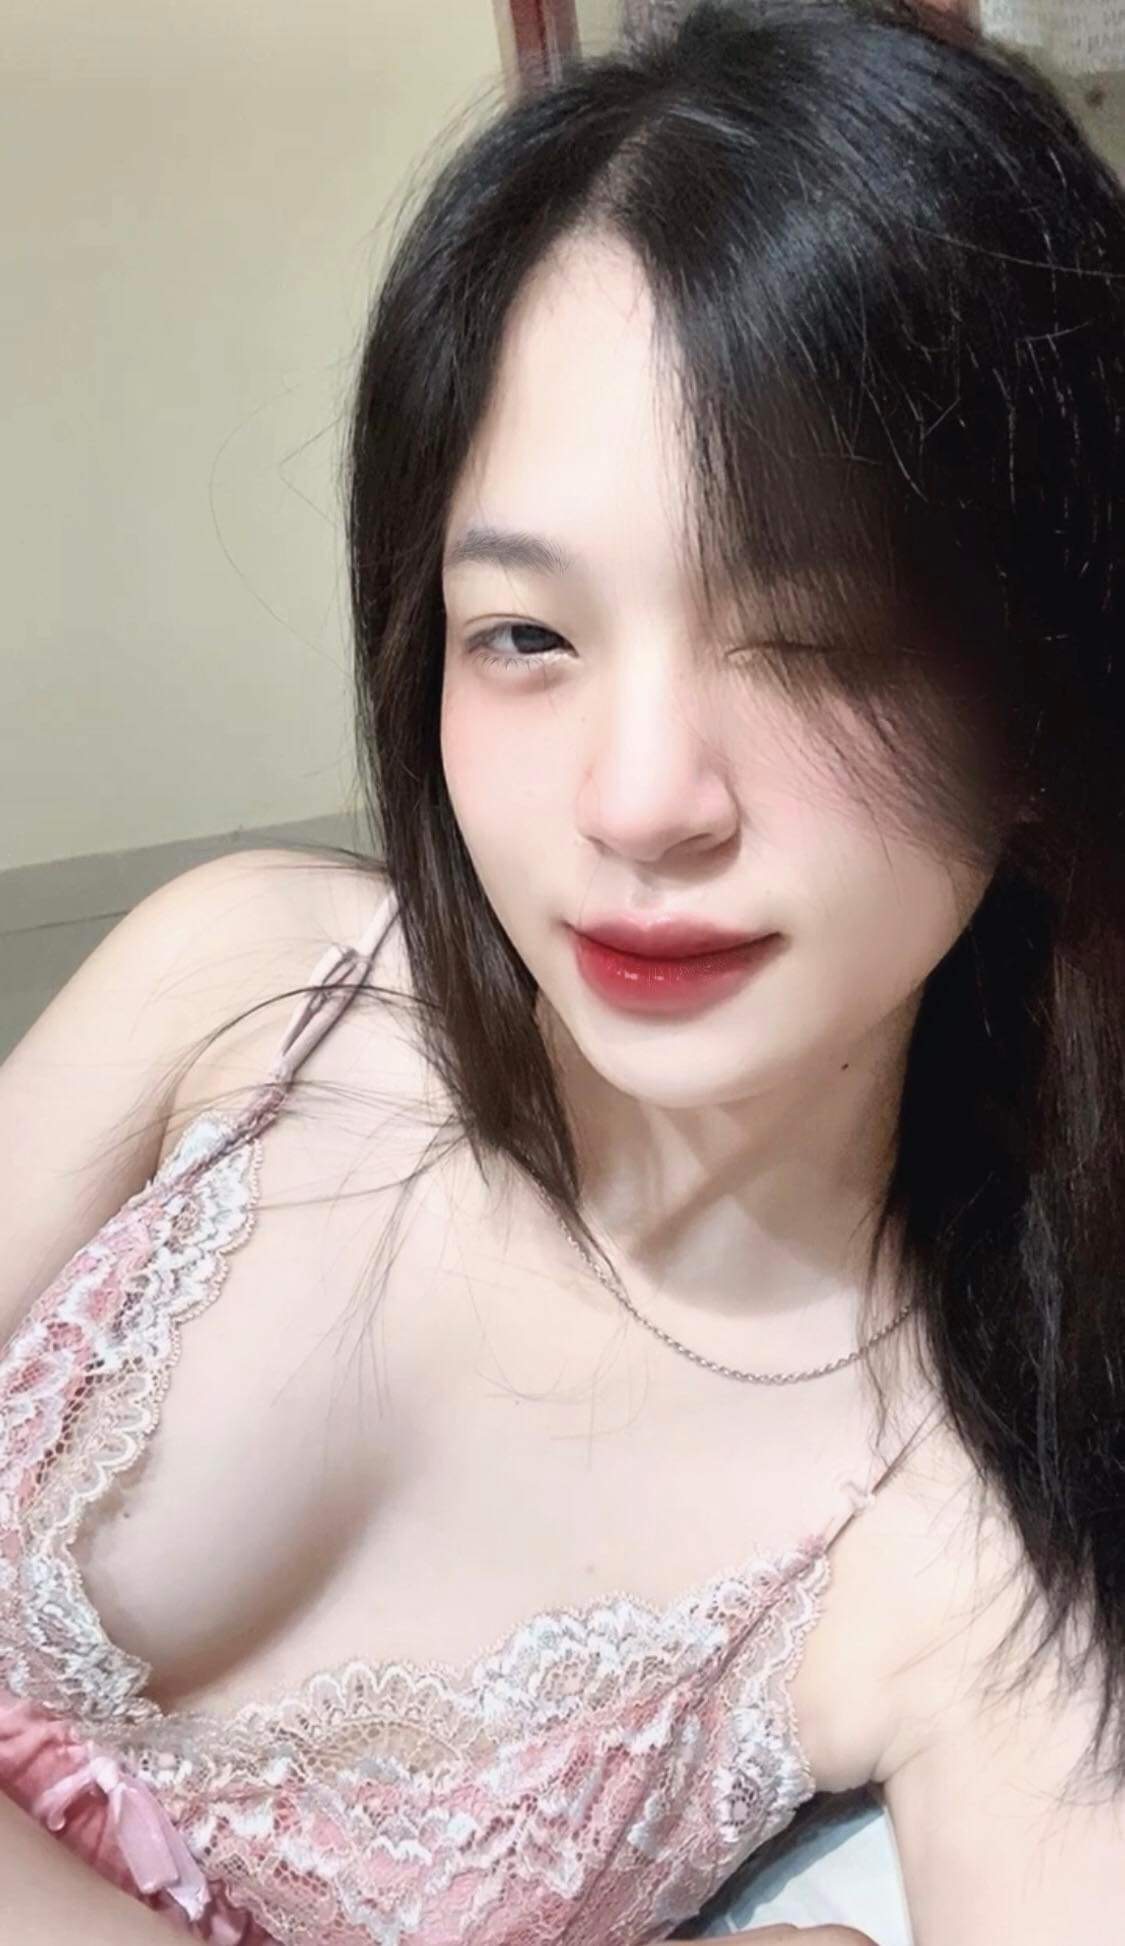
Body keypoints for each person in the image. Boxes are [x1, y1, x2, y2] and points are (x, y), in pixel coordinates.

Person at [1, 2, 1123, 1941]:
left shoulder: (953, 1554)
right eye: (522, 633)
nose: (636, 802)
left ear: (1040, 699)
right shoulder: (245, 983)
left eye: (821, 641)